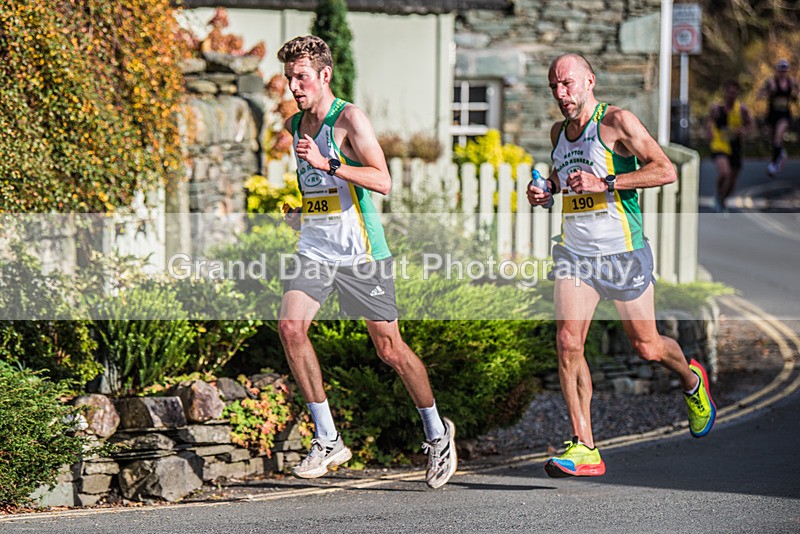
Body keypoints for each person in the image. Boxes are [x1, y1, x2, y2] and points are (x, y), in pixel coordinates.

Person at [276, 35, 456, 489]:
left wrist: (329, 162)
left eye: (301, 77)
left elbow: (382, 180)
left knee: (389, 349)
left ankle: (437, 434)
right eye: (289, 78)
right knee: (291, 327)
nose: (294, 86)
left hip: (361, 254)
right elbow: (321, 191)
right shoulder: (296, 124)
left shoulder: (349, 118)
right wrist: (303, 214)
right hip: (316, 250)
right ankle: (328, 437)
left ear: (324, 75)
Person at [527, 54, 716, 478]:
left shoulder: (617, 122)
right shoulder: (559, 133)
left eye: (568, 84)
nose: (561, 94)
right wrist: (545, 192)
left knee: (647, 347)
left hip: (623, 254)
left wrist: (606, 183)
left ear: (589, 80)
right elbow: (563, 179)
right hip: (575, 255)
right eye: (554, 86)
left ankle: (691, 380)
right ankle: (585, 446)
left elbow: (665, 171)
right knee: (568, 342)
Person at [706, 80, 753, 212]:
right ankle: (719, 194)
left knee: (732, 179)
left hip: (735, 146)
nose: (731, 95)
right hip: (719, 145)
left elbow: (751, 124)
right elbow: (709, 120)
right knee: (725, 173)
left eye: (734, 93)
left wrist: (744, 130)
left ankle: (721, 198)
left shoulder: (742, 109)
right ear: (725, 92)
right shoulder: (716, 108)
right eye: (729, 92)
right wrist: (709, 131)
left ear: (737, 93)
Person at [758, 59, 798, 176]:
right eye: (781, 70)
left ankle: (773, 165)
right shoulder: (772, 82)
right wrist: (762, 94)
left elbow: (796, 92)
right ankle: (781, 153)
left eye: (785, 70)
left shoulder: (791, 82)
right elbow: (762, 91)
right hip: (772, 114)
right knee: (773, 141)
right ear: (777, 71)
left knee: (777, 138)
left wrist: (795, 96)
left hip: (784, 115)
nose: (783, 73)